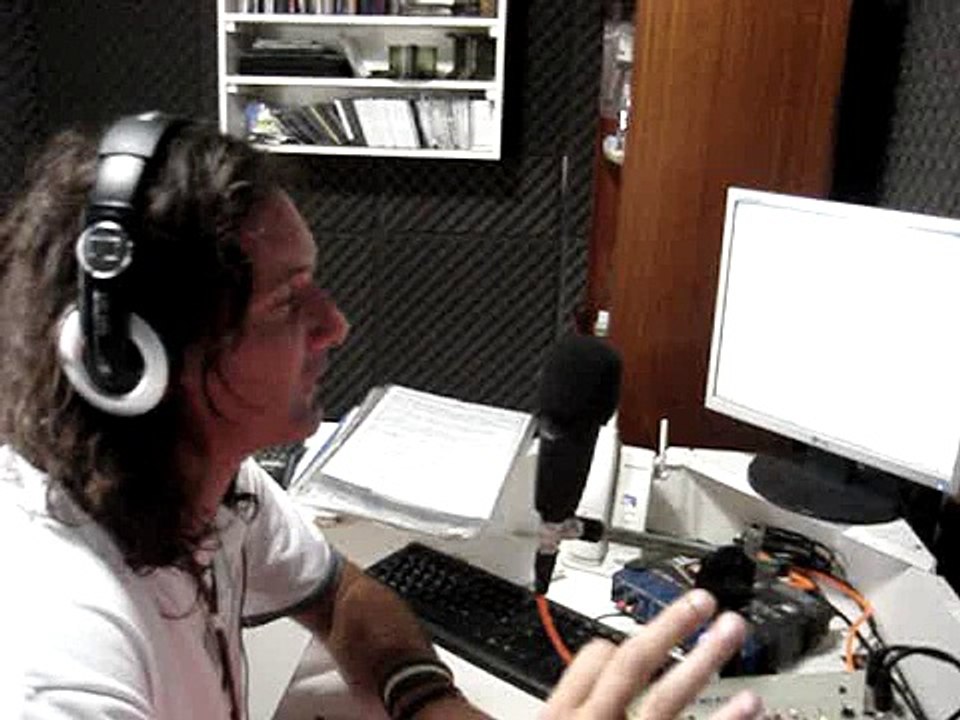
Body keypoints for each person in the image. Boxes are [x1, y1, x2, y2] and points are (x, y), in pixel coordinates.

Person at [0, 115, 762, 720]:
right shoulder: (57, 648)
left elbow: (341, 595)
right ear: (128, 360)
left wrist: (432, 704)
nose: (335, 325)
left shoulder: (211, 485)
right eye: (287, 301)